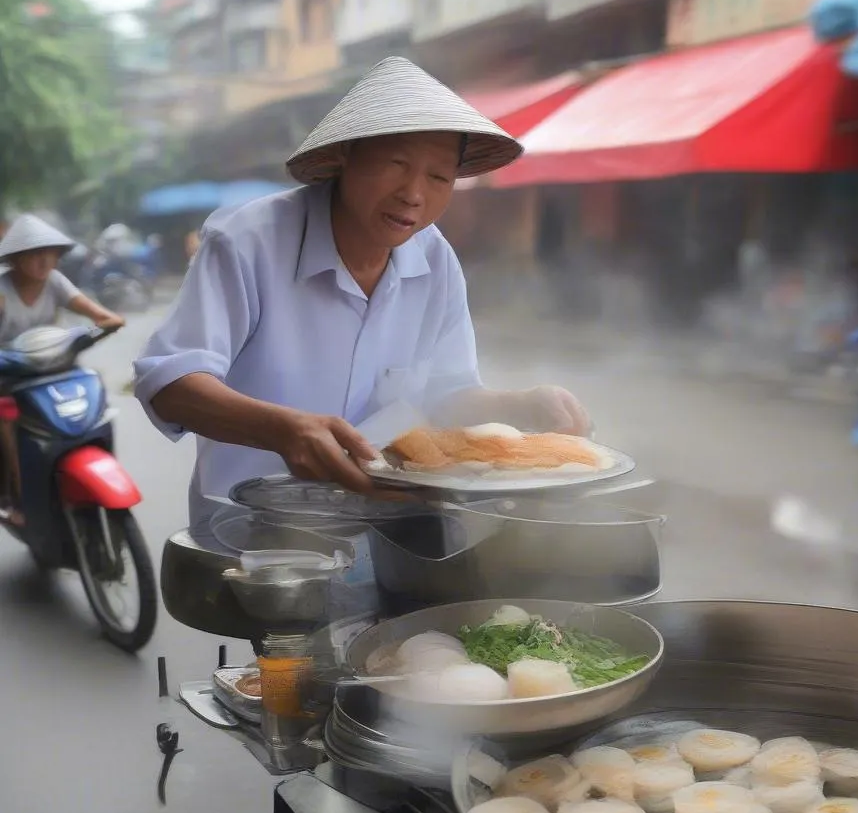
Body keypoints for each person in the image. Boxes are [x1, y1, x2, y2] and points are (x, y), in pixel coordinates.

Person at [134, 57, 591, 527]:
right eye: (397, 164)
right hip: (253, 534)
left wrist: (519, 405)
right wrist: (284, 431)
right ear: (347, 156)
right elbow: (170, 384)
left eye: (439, 177)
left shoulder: (435, 261)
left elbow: (447, 395)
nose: (414, 194)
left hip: (387, 526)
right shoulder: (249, 240)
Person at [0, 215, 125, 520]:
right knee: (4, 421)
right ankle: (16, 495)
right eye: (34, 252)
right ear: (16, 258)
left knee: (96, 399)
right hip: (10, 376)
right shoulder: (2, 289)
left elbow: (103, 316)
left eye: (50, 251)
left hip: (56, 369)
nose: (44, 259)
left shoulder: (55, 282)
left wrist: (107, 324)